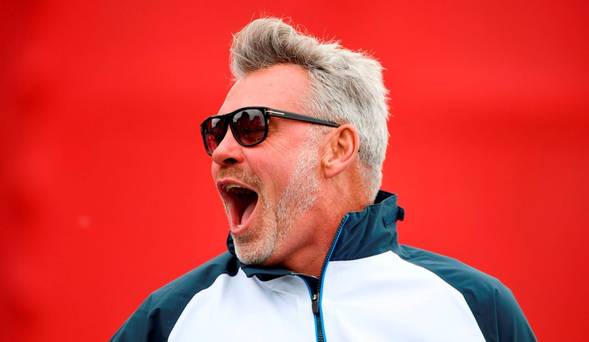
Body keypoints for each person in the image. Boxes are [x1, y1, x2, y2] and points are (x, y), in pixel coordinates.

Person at [112, 18, 536, 341]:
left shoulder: (477, 309)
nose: (222, 149)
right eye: (216, 130)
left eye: (250, 125)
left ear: (337, 149)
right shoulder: (170, 320)